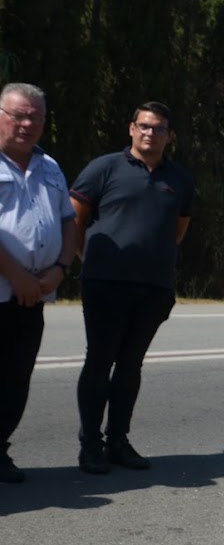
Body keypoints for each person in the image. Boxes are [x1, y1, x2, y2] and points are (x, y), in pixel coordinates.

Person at [70, 102, 194, 474]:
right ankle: (90, 445)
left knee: (130, 366)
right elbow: (75, 217)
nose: (149, 133)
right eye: (143, 126)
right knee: (99, 361)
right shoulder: (105, 167)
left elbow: (178, 232)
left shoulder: (181, 179)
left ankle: (118, 442)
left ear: (169, 135)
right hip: (106, 284)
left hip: (154, 288)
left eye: (158, 128)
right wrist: (86, 258)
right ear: (131, 128)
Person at [0, 83, 77, 483]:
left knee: (15, 379)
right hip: (4, 289)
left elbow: (68, 221)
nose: (28, 124)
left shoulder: (51, 167)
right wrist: (16, 276)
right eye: (19, 115)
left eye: (36, 117)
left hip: (36, 294)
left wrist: (60, 268)